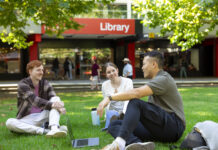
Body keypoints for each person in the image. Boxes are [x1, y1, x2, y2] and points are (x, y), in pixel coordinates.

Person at [97, 51, 185, 150]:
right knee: (114, 125)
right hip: (158, 129)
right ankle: (137, 144)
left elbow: (136, 93)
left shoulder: (164, 79)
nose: (142, 67)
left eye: (143, 64)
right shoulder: (155, 81)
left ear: (153, 64)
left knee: (135, 102)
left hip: (173, 127)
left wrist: (109, 98)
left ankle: (119, 143)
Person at [6, 60, 67, 138]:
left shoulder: (45, 83)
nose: (41, 72)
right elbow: (35, 101)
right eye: (38, 70)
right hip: (27, 118)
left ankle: (54, 129)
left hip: (42, 116)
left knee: (56, 98)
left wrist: (60, 105)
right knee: (10, 122)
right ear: (30, 71)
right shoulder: (23, 85)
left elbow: (53, 98)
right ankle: (45, 131)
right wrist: (55, 105)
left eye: (42, 70)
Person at [102, 62, 133, 128]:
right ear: (106, 75)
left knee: (123, 120)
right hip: (113, 111)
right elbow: (106, 102)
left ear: (117, 70)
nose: (112, 73)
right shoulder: (104, 85)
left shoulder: (128, 81)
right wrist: (106, 115)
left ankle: (121, 119)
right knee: (112, 115)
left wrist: (124, 113)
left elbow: (128, 99)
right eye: (108, 72)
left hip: (126, 109)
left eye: (113, 70)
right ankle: (114, 121)